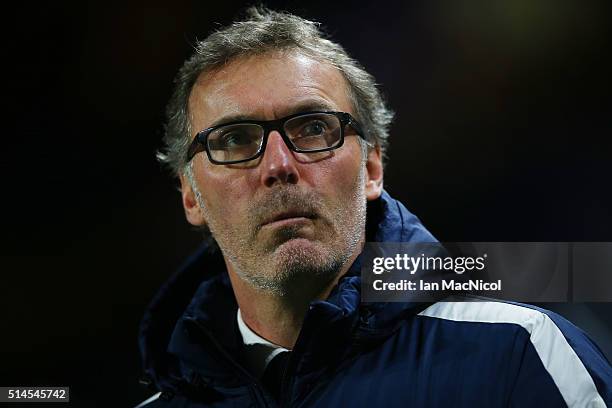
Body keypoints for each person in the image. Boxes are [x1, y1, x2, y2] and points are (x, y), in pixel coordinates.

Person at [136, 7, 611, 407]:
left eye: (313, 128)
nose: (278, 165)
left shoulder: (523, 354)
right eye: (235, 140)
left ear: (371, 170)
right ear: (190, 196)